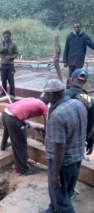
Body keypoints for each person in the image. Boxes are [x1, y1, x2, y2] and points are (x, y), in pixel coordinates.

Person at [42, 79, 87, 213]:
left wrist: (55, 174)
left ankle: (58, 209)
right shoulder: (78, 104)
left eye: (46, 95)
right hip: (77, 158)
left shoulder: (57, 115)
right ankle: (53, 209)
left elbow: (59, 148)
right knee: (65, 191)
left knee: (61, 199)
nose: (46, 98)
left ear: (51, 95)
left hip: (62, 163)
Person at [65, 68, 94, 199]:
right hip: (79, 139)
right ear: (85, 82)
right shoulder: (89, 100)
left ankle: (61, 192)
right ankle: (70, 191)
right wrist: (90, 141)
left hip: (62, 138)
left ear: (71, 79)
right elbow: (91, 125)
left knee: (61, 166)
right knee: (75, 164)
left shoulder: (62, 94)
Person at [0, 97, 48, 175]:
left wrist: (23, 123)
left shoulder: (32, 99)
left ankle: (3, 145)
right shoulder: (44, 107)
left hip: (5, 113)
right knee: (20, 144)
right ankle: (22, 169)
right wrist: (45, 136)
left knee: (8, 130)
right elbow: (47, 126)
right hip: (13, 118)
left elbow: (21, 109)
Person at [0, 30, 18, 97]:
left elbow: (16, 53)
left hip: (10, 65)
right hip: (3, 65)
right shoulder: (1, 43)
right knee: (3, 80)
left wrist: (11, 57)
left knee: (11, 80)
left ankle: (12, 94)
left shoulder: (13, 44)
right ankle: (4, 92)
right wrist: (2, 50)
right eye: (5, 37)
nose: (6, 38)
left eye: (8, 37)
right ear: (3, 37)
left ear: (10, 36)